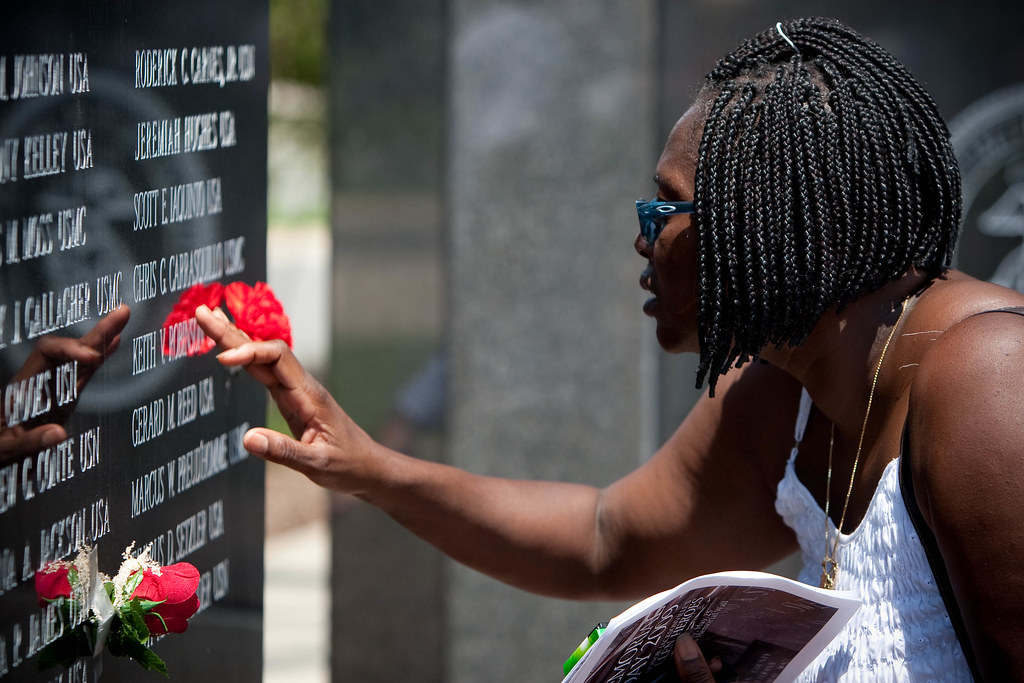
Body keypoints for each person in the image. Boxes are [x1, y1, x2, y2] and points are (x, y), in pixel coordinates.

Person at [196, 17, 1024, 680]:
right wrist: (369, 466)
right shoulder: (787, 385)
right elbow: (604, 536)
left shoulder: (988, 385)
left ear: (774, 225)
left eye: (666, 208)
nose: (641, 239)